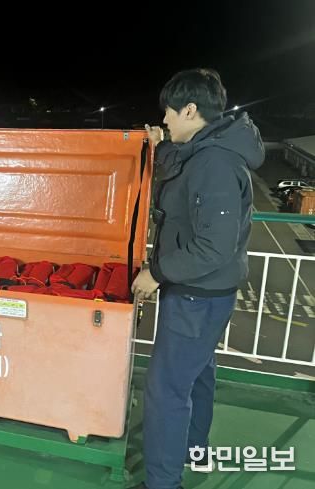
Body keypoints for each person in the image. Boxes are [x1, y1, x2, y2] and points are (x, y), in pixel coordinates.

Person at [131, 69, 264, 489]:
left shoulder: (215, 164)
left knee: (166, 391)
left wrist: (156, 272)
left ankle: (162, 482)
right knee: (198, 373)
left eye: (169, 112)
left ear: (190, 110)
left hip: (196, 296)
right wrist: (161, 145)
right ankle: (194, 450)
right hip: (205, 293)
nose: (164, 119)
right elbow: (180, 174)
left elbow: (213, 246)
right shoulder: (208, 149)